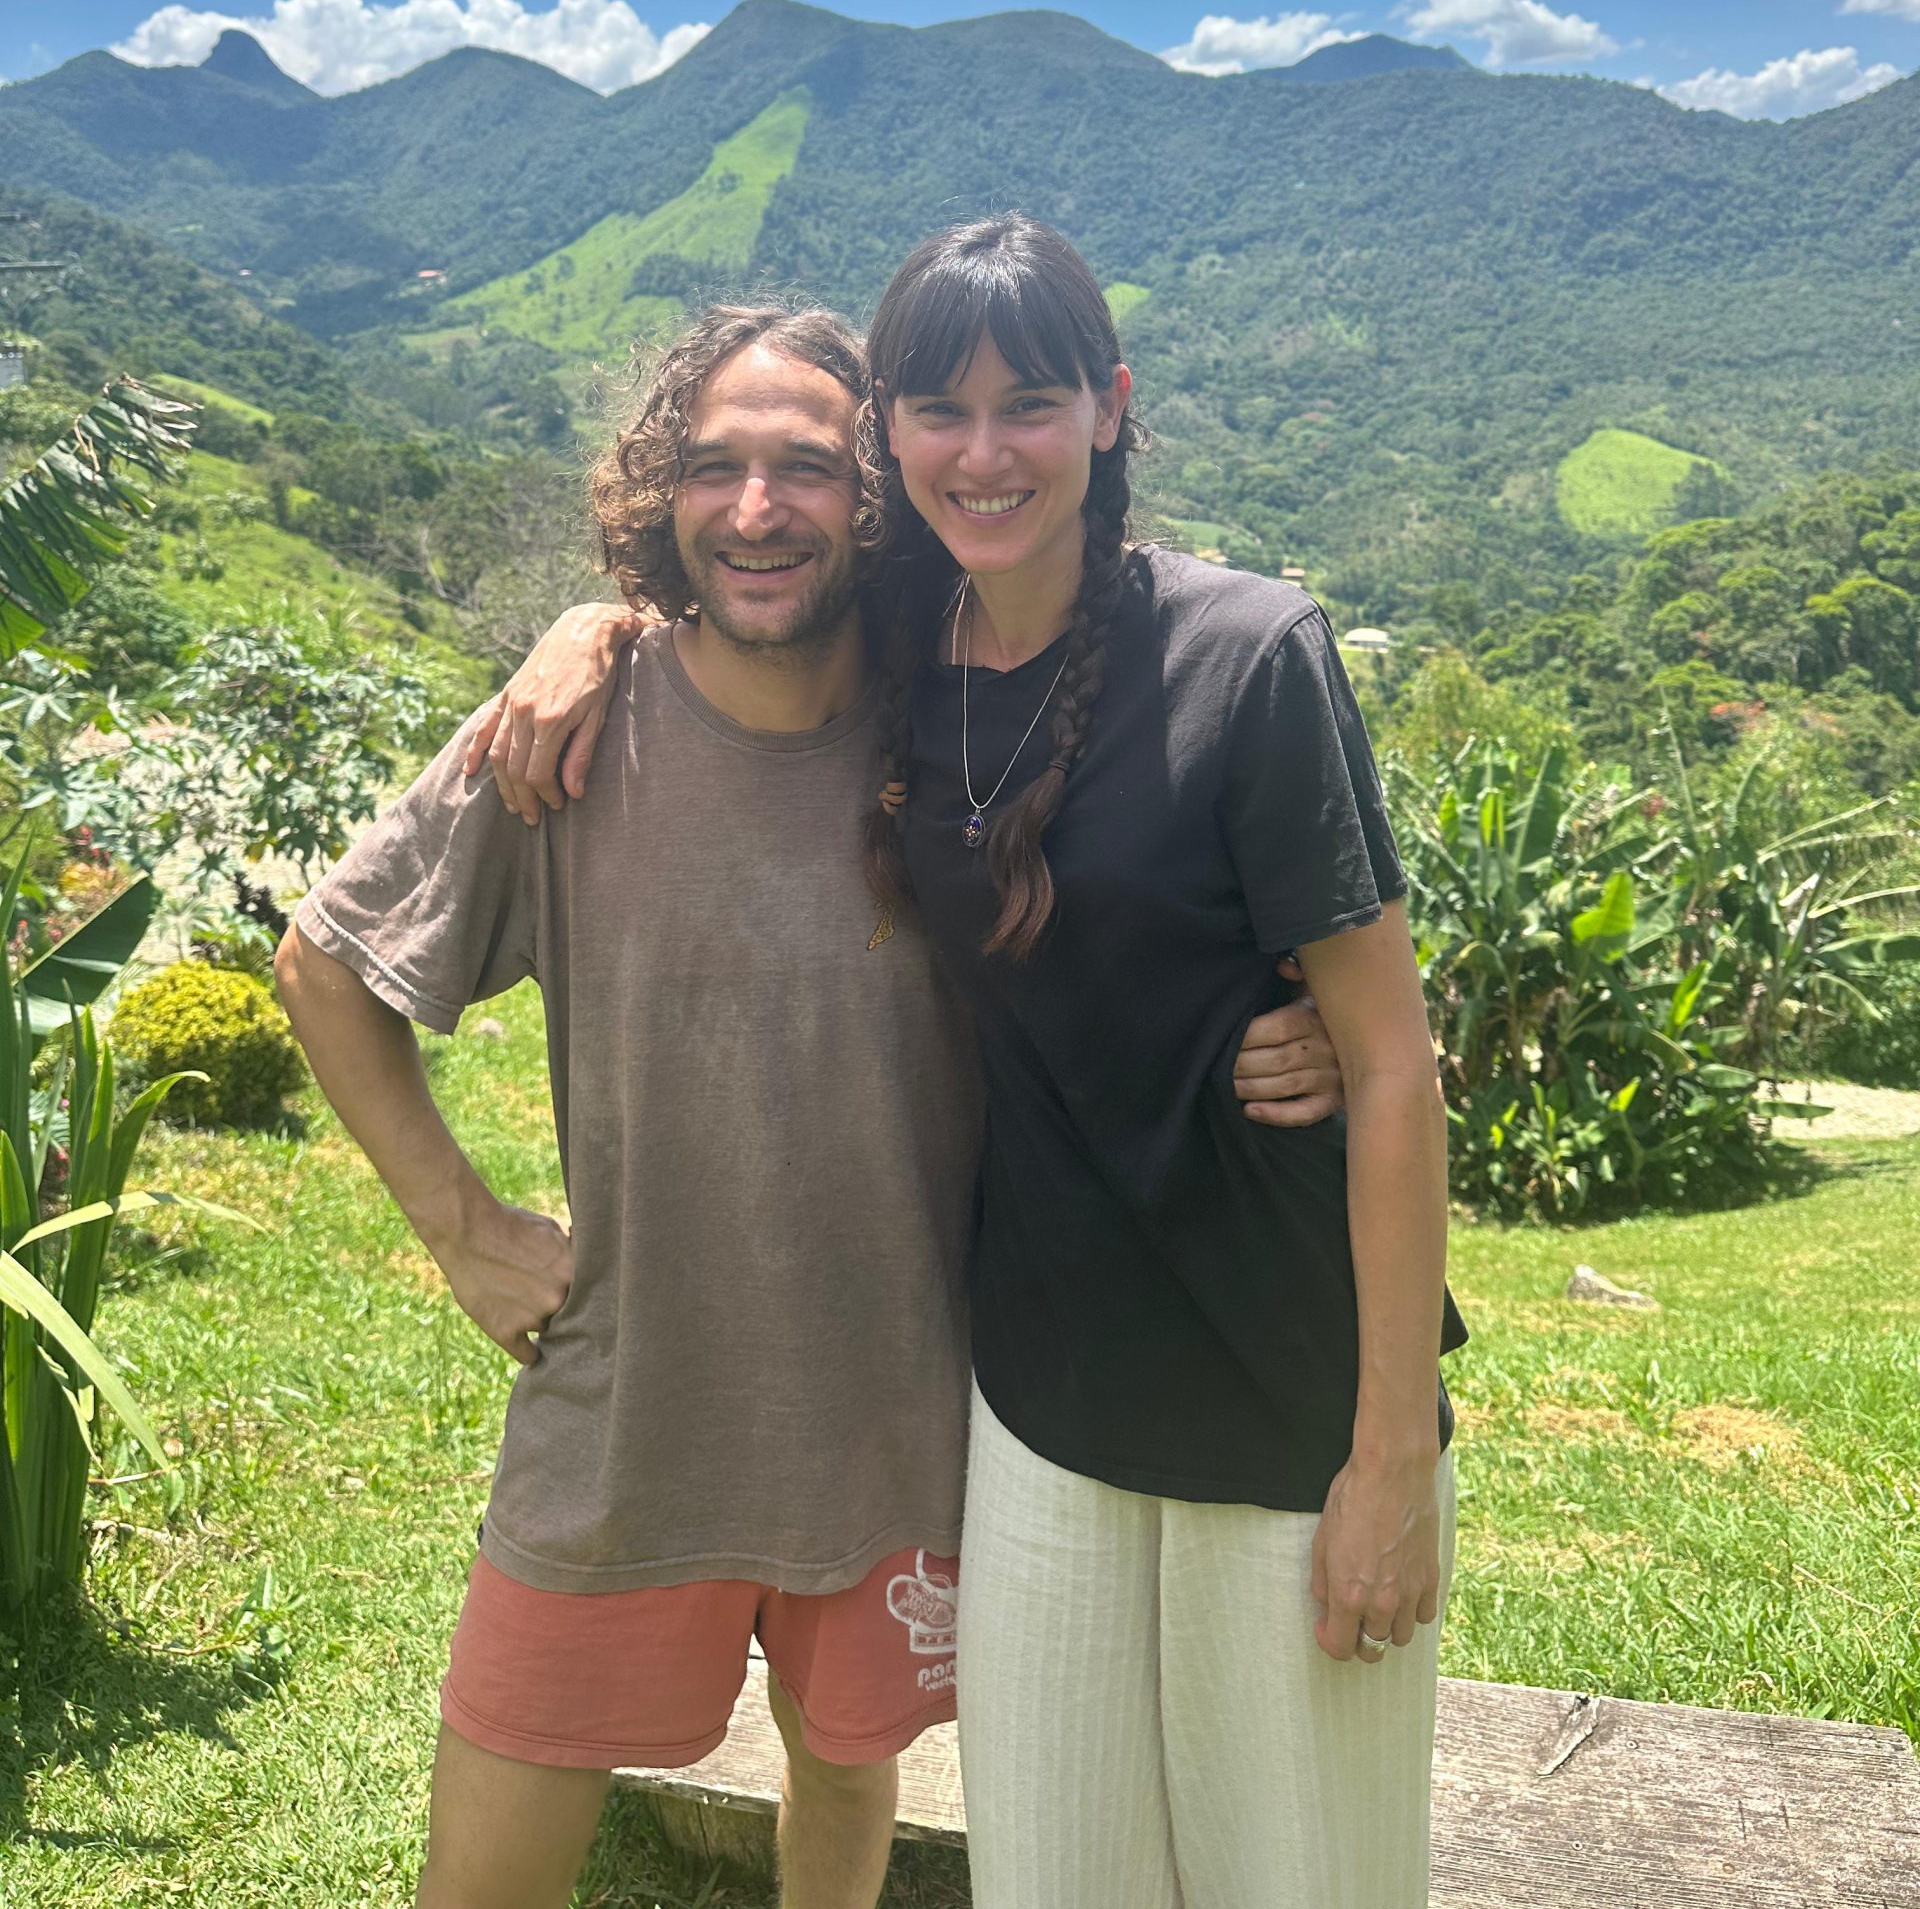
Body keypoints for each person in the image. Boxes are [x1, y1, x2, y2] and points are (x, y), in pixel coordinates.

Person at [277, 299, 1346, 1909]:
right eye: (713, 468)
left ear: (875, 495)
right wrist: (463, 1226)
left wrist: (1301, 1031)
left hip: (899, 1417)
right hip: (627, 1420)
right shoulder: (563, 741)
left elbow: (1166, 896)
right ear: (662, 499)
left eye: (806, 466)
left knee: (843, 1780)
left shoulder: (962, 734)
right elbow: (327, 963)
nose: (757, 508)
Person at [492, 223, 1468, 1909]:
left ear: (1112, 407)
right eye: (938, 409)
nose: (986, 451)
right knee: (1055, 1871)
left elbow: (1391, 1067)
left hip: (1278, 1377)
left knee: (1292, 1873)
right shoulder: (895, 644)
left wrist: (1389, 1463)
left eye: (1032, 404)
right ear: (892, 447)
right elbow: (726, 577)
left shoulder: (1250, 654)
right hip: (1030, 1395)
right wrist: (585, 629)